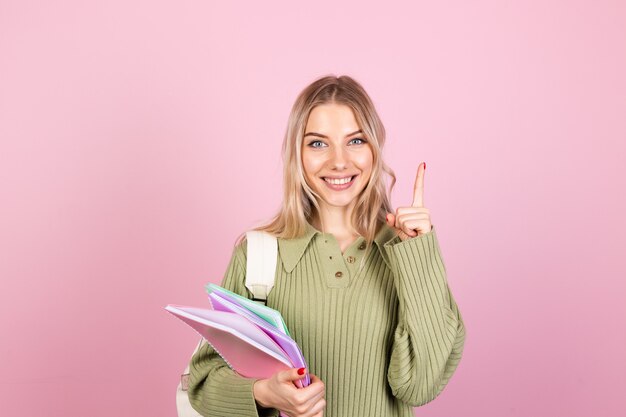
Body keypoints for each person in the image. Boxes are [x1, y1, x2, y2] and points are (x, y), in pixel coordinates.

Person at [187, 75, 466, 417]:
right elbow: (202, 385)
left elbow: (420, 385)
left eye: (356, 140)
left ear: (375, 148)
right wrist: (264, 393)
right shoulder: (259, 254)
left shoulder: (408, 254)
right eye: (318, 143)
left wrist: (419, 255)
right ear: (298, 153)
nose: (338, 161)